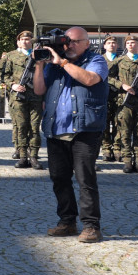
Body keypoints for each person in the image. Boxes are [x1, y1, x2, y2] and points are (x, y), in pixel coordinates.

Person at [33, 26, 108, 243]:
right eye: (67, 41)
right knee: (59, 178)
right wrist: (39, 66)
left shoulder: (96, 61)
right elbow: (39, 91)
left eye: (75, 41)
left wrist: (63, 63)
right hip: (56, 129)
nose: (70, 45)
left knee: (86, 179)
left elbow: (90, 80)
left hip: (84, 130)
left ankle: (91, 226)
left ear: (87, 42)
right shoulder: (54, 64)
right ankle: (67, 221)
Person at [108, 35, 138, 174]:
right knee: (125, 133)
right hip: (125, 102)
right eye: (128, 43)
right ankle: (127, 161)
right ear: (126, 45)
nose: (131, 45)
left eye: (133, 43)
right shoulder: (119, 61)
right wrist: (122, 85)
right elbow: (107, 77)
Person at [0, 31, 44, 170]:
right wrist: (12, 85)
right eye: (23, 39)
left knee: (35, 127)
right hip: (18, 97)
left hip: (36, 96)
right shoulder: (11, 56)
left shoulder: (39, 55)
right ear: (18, 41)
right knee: (22, 127)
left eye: (28, 39)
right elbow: (4, 74)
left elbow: (46, 75)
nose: (25, 41)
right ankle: (23, 156)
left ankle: (34, 156)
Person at [99, 35, 120, 161]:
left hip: (119, 95)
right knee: (105, 123)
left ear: (117, 46)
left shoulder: (122, 60)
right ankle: (106, 149)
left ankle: (117, 148)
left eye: (114, 43)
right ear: (104, 46)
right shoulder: (100, 59)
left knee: (118, 123)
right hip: (104, 95)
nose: (112, 45)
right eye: (109, 43)